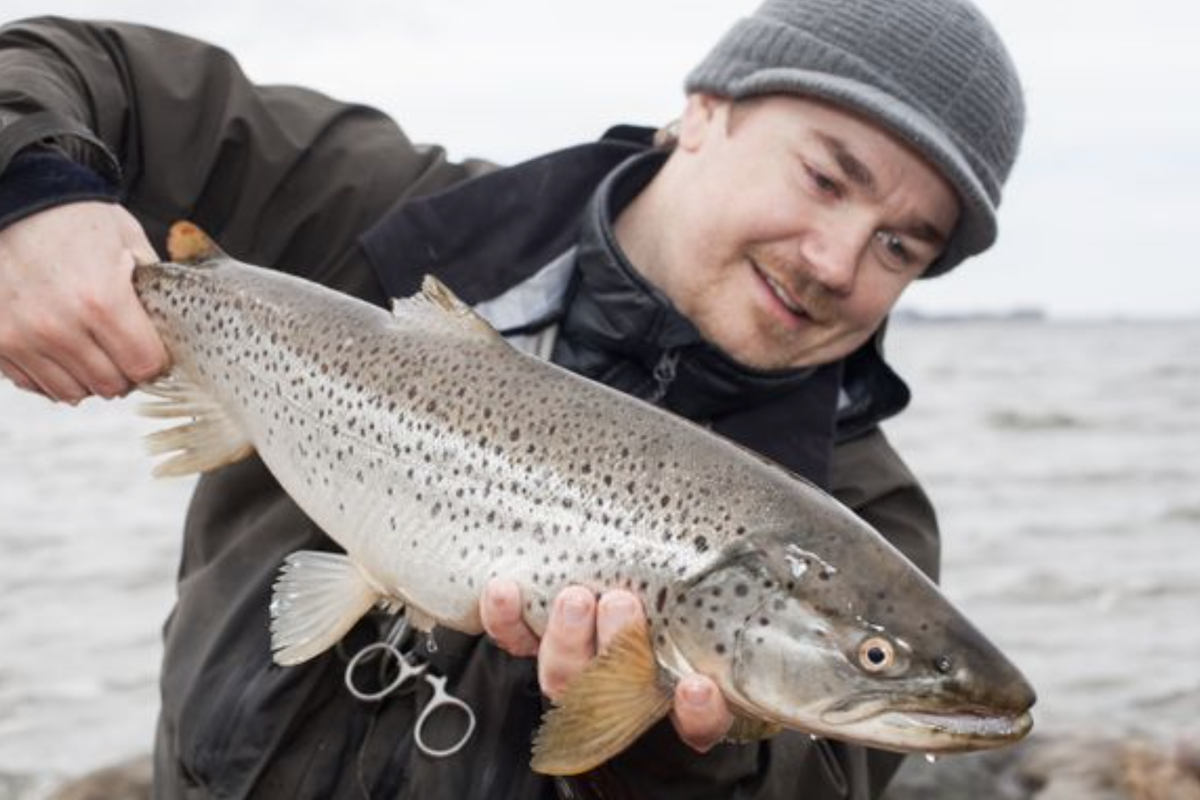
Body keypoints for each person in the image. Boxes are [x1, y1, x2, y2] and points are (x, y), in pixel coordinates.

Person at [0, 0, 1024, 797]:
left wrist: (674, 748)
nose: (839, 261)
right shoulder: (379, 212)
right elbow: (63, 63)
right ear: (706, 110)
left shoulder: (869, 515)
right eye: (825, 176)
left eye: (902, 244)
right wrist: (31, 197)